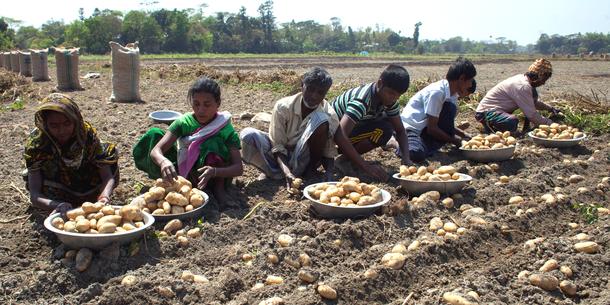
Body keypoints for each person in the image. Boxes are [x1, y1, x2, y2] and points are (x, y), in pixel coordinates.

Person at [240, 67, 386, 188]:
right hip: (281, 155)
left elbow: (329, 150)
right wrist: (287, 172)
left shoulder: (328, 113)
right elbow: (277, 145)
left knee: (321, 119)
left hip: (303, 158)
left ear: (326, 93)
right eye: (310, 89)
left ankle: (305, 172)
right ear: (302, 85)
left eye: (320, 92)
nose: (314, 96)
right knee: (248, 135)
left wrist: (329, 176)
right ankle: (278, 173)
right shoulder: (283, 107)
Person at [132, 77, 243, 205]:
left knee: (213, 142)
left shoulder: (224, 127)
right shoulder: (184, 122)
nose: (201, 110)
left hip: (215, 175)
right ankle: (173, 183)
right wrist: (164, 162)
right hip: (184, 171)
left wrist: (215, 171)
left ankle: (218, 190)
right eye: (196, 104)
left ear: (218, 104)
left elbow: (238, 168)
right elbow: (156, 150)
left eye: (207, 105)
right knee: (154, 134)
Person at [24, 93, 118, 216]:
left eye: (67, 123)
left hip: (89, 186)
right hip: (56, 191)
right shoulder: (37, 144)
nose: (61, 131)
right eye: (54, 126)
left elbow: (107, 177)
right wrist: (56, 205)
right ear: (45, 124)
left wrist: (104, 196)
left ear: (75, 120)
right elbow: (35, 195)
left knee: (108, 155)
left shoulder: (87, 136)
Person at [331, 64, 411, 175]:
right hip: (332, 138)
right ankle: (344, 160)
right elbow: (340, 135)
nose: (393, 98)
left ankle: (346, 158)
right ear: (380, 83)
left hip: (349, 132)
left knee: (386, 126)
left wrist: (406, 158)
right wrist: (366, 167)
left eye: (398, 96)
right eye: (391, 93)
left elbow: (400, 130)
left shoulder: (390, 101)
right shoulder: (362, 101)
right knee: (384, 130)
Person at [400, 57, 477, 162]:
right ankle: (394, 142)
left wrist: (464, 135)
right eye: (470, 80)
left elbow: (442, 123)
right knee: (416, 153)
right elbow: (432, 128)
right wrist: (456, 141)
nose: (471, 84)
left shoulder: (452, 94)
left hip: (425, 129)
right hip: (412, 129)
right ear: (462, 78)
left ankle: (425, 144)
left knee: (432, 145)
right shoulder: (437, 93)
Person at [475, 58, 560, 133]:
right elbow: (532, 115)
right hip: (485, 113)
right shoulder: (523, 86)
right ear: (539, 76)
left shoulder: (524, 81)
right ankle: (490, 129)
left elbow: (533, 103)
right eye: (544, 80)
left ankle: (524, 129)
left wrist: (550, 108)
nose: (543, 83)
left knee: (531, 101)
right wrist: (552, 124)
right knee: (511, 121)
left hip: (498, 111)